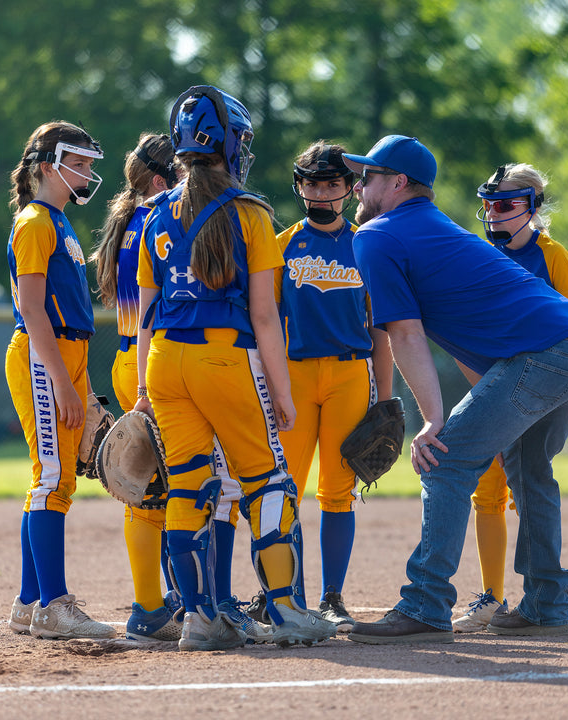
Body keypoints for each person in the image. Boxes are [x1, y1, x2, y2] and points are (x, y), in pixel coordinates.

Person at [342, 135, 568, 643]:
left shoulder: (376, 235)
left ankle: (425, 604)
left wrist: (434, 423)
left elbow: (405, 333)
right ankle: (547, 604)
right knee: (528, 473)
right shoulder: (434, 227)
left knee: (444, 458)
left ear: (398, 183)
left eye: (368, 176)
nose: (358, 186)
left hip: (547, 353)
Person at [134, 85, 336, 651]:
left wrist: (146, 387)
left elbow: (147, 312)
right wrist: (284, 396)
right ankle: (288, 610)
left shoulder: (154, 215)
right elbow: (265, 318)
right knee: (267, 479)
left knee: (189, 487)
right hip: (224, 357)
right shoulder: (250, 214)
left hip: (164, 361)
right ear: (228, 146)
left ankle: (200, 619)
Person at [92, 136, 270, 643]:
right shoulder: (166, 216)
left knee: (149, 492)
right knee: (205, 487)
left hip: (138, 360)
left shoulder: (131, 221)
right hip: (172, 359)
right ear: (161, 177)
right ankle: (205, 604)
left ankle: (155, 604)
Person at [451, 162, 568, 633]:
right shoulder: (480, 255)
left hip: (546, 380)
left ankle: (541, 602)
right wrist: (488, 395)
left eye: (507, 203)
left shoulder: (550, 253)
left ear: (532, 207)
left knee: (524, 480)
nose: (494, 213)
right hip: (500, 383)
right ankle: (522, 600)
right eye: (490, 204)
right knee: (514, 482)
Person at [274, 141, 394, 631]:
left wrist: (385, 399)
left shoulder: (367, 242)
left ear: (350, 187)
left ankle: (332, 597)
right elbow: (265, 321)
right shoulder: (280, 245)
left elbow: (379, 329)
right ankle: (290, 596)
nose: (323, 192)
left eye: (333, 183)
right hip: (294, 372)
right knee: (284, 489)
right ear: (300, 186)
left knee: (338, 491)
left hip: (349, 372)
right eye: (314, 183)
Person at [4, 120, 116, 640]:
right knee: (52, 478)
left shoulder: (58, 221)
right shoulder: (35, 222)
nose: (89, 172)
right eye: (80, 162)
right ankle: (53, 604)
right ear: (48, 165)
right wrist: (62, 382)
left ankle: (30, 603)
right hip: (42, 356)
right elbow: (32, 309)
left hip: (65, 356)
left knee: (54, 478)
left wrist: (82, 385)